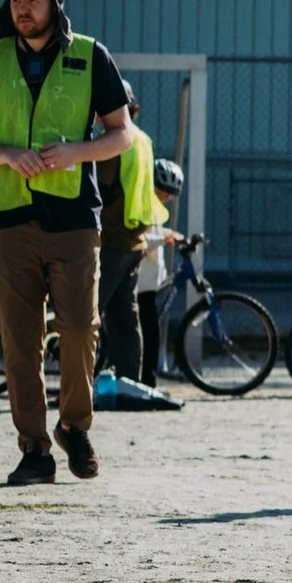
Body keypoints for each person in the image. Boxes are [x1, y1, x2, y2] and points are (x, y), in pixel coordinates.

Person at [0, 0, 137, 484]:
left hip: (76, 217)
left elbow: (121, 133)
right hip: (9, 220)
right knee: (20, 340)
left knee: (80, 329)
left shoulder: (90, 54)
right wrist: (8, 155)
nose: (21, 8)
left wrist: (77, 151)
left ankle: (74, 428)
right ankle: (34, 451)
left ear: (55, 3)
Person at [94, 83, 160, 384]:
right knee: (125, 316)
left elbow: (101, 190)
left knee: (86, 316)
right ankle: (130, 383)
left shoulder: (113, 143)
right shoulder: (143, 139)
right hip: (135, 238)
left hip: (111, 238)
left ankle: (77, 387)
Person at [135, 158, 187, 385]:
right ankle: (147, 381)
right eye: (163, 192)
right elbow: (140, 238)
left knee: (150, 332)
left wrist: (170, 234)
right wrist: (163, 239)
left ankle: (148, 379)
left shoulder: (153, 208)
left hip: (149, 282)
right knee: (148, 334)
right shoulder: (142, 204)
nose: (166, 199)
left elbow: (154, 231)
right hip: (140, 282)